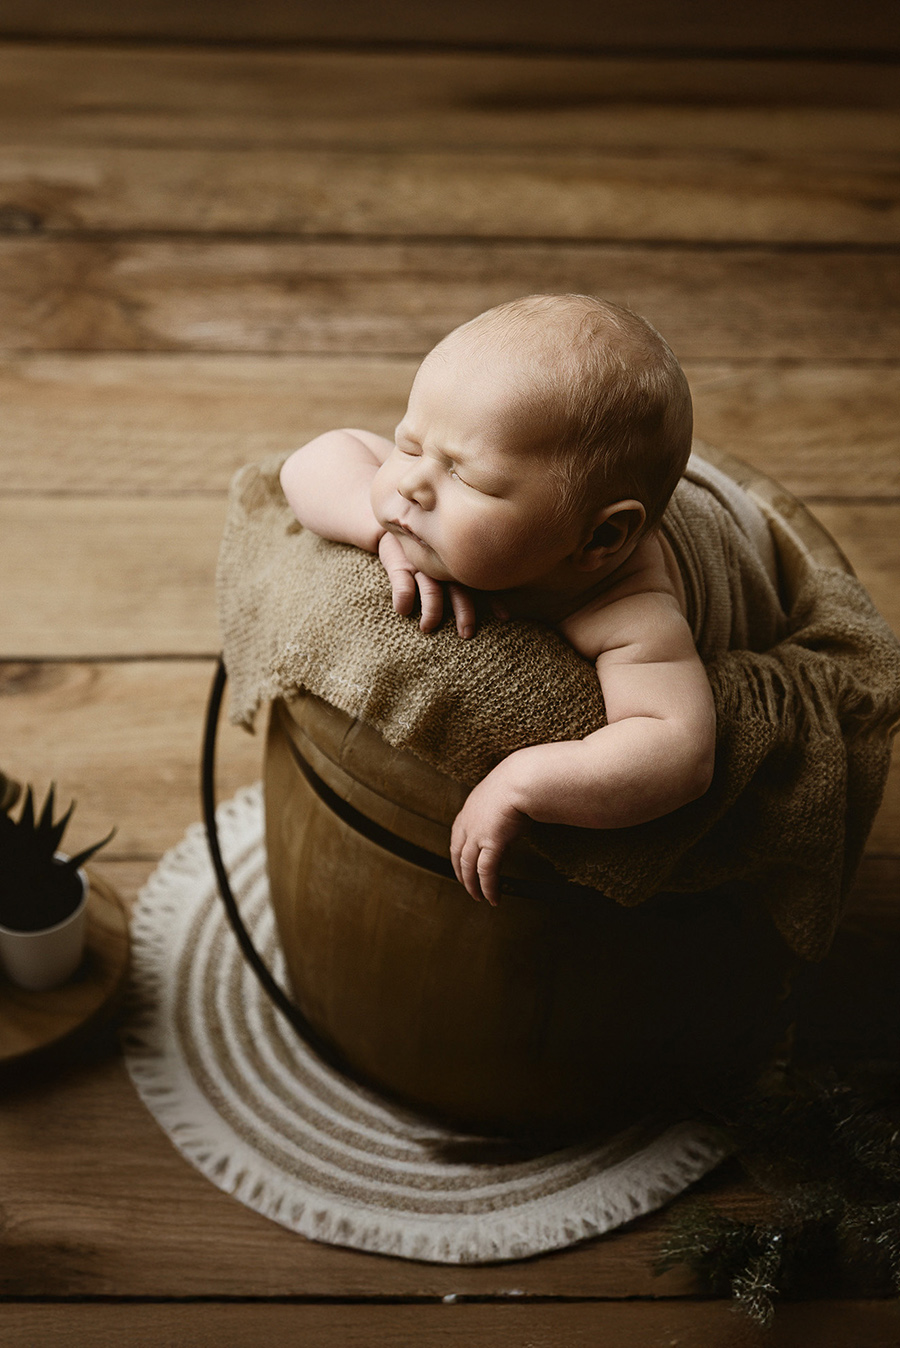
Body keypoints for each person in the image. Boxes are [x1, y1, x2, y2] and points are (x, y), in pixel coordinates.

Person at [279, 294, 716, 907]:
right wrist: (375, 526)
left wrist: (521, 783)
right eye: (408, 443)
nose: (408, 482)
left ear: (599, 539)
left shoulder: (628, 605)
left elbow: (679, 748)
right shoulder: (427, 482)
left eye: (465, 477)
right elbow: (309, 462)